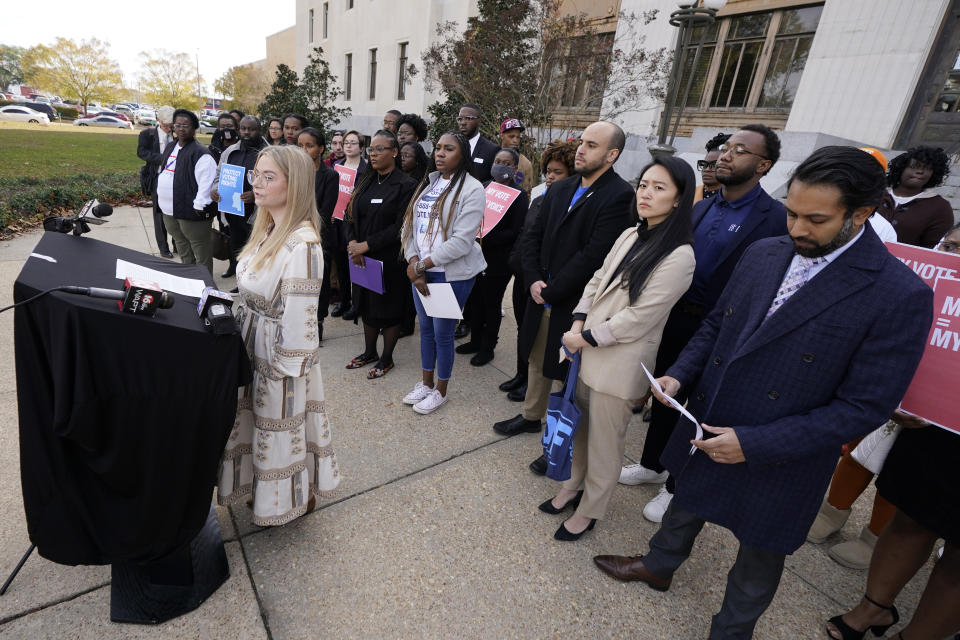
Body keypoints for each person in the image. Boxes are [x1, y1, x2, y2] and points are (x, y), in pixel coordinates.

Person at [592, 146, 933, 640]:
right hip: (711, 418)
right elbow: (715, 327)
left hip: (786, 450)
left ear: (861, 214)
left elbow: (865, 406)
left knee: (761, 552)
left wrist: (755, 444)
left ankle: (731, 631)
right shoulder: (765, 252)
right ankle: (659, 565)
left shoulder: (898, 294)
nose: (796, 228)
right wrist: (679, 375)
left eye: (816, 219)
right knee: (685, 501)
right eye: (791, 212)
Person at [618, 125, 788, 523]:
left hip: (725, 331)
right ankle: (653, 463)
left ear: (763, 165)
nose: (726, 156)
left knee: (700, 409)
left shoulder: (775, 218)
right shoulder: (702, 206)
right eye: (726, 148)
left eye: (739, 151)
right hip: (678, 319)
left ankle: (675, 485)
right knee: (665, 393)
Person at [543, 155, 696, 541]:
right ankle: (572, 486)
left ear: (679, 199)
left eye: (659, 188)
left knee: (606, 444)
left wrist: (586, 337)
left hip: (618, 362)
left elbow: (640, 317)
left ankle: (591, 511)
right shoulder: (631, 233)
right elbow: (596, 280)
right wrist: (578, 321)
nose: (646, 193)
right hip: (586, 349)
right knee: (578, 429)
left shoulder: (680, 255)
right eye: (644, 184)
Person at [824, 223, 960, 640]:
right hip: (933, 431)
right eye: (952, 247)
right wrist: (901, 396)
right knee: (909, 517)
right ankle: (873, 608)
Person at [492, 121, 635, 452]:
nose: (582, 149)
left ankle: (555, 441)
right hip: (541, 292)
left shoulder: (620, 196)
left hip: (576, 304)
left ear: (612, 155)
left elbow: (594, 256)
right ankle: (530, 415)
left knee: (564, 373)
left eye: (593, 145)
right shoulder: (559, 188)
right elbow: (532, 237)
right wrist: (532, 280)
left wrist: (552, 289)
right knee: (537, 358)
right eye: (582, 142)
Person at [216, 145, 339, 527]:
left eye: (269, 177)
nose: (257, 182)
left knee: (277, 429)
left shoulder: (302, 245)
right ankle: (258, 489)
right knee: (252, 423)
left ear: (295, 184)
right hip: (253, 341)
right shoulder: (267, 227)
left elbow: (301, 318)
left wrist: (284, 376)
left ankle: (287, 500)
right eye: (256, 174)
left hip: (278, 357)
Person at [401, 131, 486, 415]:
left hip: (450, 275)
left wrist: (421, 266)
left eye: (448, 149)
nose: (439, 153)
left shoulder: (473, 189)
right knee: (425, 329)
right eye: (437, 148)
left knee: (443, 333)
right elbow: (410, 227)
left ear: (462, 155)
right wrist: (414, 261)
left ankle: (441, 390)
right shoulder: (430, 183)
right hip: (421, 272)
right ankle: (425, 384)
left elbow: (462, 241)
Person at [500, 139, 577, 402]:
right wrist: (516, 261)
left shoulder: (567, 206)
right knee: (523, 330)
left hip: (541, 284)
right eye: (549, 171)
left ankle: (530, 385)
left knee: (537, 337)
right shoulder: (539, 199)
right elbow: (526, 235)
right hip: (523, 276)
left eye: (559, 172)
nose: (551, 177)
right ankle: (521, 375)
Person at [343, 130, 417, 378]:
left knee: (389, 309)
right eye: (371, 150)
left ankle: (386, 358)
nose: (373, 155)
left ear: (394, 152)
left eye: (379, 149)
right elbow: (349, 214)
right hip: (360, 257)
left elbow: (401, 227)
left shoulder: (406, 185)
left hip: (389, 260)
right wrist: (353, 242)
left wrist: (368, 245)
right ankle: (369, 352)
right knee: (366, 305)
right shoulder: (365, 180)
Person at [455, 147, 528, 366]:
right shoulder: (484, 187)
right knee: (474, 300)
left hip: (498, 260)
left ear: (515, 168)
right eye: (498, 160)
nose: (501, 165)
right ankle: (475, 341)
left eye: (506, 163)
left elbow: (516, 230)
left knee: (491, 303)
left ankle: (488, 347)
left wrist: (486, 238)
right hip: (475, 254)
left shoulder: (519, 195)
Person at [156, 108, 218, 276]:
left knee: (200, 251)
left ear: (194, 128)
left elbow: (207, 181)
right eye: (178, 125)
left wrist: (200, 204)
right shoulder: (171, 146)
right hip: (169, 209)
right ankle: (189, 279)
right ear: (173, 127)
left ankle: (206, 285)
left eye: (186, 125)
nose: (181, 129)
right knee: (182, 246)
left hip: (191, 210)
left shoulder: (201, 153)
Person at [211, 115, 266, 279]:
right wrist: (215, 189)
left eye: (251, 129)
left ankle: (252, 279)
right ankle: (235, 270)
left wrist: (256, 196)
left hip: (257, 214)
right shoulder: (230, 151)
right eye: (243, 129)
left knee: (255, 248)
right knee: (235, 243)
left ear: (259, 130)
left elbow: (276, 182)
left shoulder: (268, 152)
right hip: (233, 210)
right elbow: (219, 175)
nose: (247, 132)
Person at [298, 127, 339, 341]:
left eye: (309, 146)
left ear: (321, 149)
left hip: (318, 236)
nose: (304, 150)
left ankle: (319, 320)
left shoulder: (329, 175)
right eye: (300, 146)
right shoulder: (293, 172)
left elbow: (325, 211)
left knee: (319, 281)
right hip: (294, 234)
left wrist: (306, 230)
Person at [877, 145, 953, 248]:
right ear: (900, 169)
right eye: (914, 166)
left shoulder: (940, 208)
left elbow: (934, 249)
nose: (920, 171)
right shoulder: (875, 195)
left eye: (927, 168)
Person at [330, 130, 368, 321]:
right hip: (337, 222)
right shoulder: (336, 166)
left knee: (356, 264)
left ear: (361, 147)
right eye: (346, 143)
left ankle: (357, 304)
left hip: (355, 224)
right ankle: (343, 300)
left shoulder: (366, 169)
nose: (348, 146)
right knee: (341, 264)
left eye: (353, 143)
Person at [137, 105, 175, 258]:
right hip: (157, 178)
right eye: (165, 125)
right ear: (158, 120)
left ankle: (177, 244)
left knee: (176, 213)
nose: (168, 129)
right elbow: (141, 152)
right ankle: (163, 248)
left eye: (170, 126)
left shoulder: (178, 134)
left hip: (176, 179)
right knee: (159, 215)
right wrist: (161, 159)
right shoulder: (148, 134)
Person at [457, 103, 498, 185]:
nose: (463, 123)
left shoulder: (492, 150)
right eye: (460, 118)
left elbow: (495, 182)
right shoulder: (452, 146)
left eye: (468, 118)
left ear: (479, 121)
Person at [498, 118, 536, 193]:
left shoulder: (525, 163)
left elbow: (526, 192)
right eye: (511, 136)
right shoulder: (491, 155)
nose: (515, 140)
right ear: (502, 136)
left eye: (518, 137)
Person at [695, 132, 729, 203]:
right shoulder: (689, 194)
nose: (707, 170)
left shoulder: (734, 199)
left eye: (714, 165)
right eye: (704, 164)